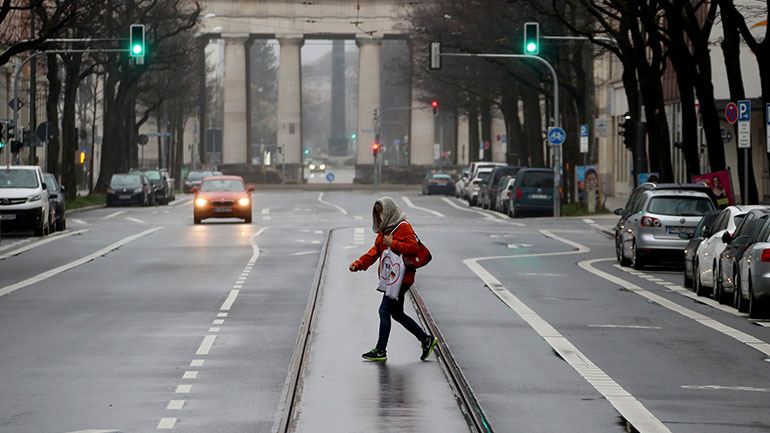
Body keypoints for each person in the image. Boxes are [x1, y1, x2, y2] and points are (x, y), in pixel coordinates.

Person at [349, 196, 438, 362]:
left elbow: (412, 247)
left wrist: (393, 243)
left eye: (382, 213)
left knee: (384, 310)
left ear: (390, 211)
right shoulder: (385, 230)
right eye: (378, 214)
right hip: (393, 278)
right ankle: (426, 340)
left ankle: (381, 350)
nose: (381, 217)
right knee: (396, 313)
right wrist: (358, 264)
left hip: (402, 278)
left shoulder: (402, 227)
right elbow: (375, 251)